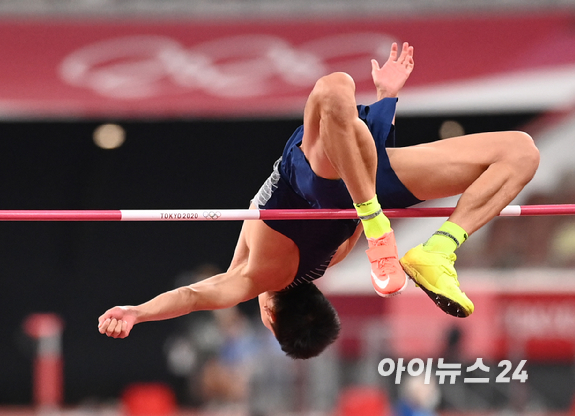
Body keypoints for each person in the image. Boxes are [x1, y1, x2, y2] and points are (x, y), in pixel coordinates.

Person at [98, 42, 540, 359]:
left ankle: (435, 248)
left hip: (364, 182)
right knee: (335, 87)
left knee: (518, 150)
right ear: (270, 319)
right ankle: (422, 241)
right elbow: (194, 296)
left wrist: (387, 99)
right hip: (328, 185)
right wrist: (135, 312)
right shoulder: (256, 278)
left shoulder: (329, 261)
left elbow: (356, 150)